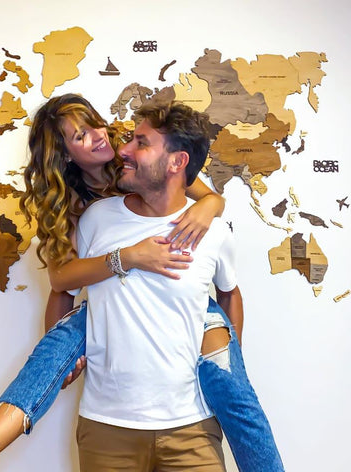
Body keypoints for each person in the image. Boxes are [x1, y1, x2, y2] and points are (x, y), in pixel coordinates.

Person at [0, 94, 235, 472]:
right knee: (60, 342)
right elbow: (61, 281)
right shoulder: (79, 208)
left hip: (180, 299)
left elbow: (200, 191)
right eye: (79, 136)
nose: (100, 138)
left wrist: (209, 207)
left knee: (233, 384)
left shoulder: (131, 156)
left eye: (94, 124)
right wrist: (62, 354)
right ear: (64, 155)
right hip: (107, 303)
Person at [73, 101, 284, 470]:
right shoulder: (97, 220)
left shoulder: (213, 232)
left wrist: (227, 361)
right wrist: (63, 364)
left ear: (176, 162)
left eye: (141, 143)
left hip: (193, 426)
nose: (123, 150)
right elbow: (64, 286)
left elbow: (230, 293)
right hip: (106, 427)